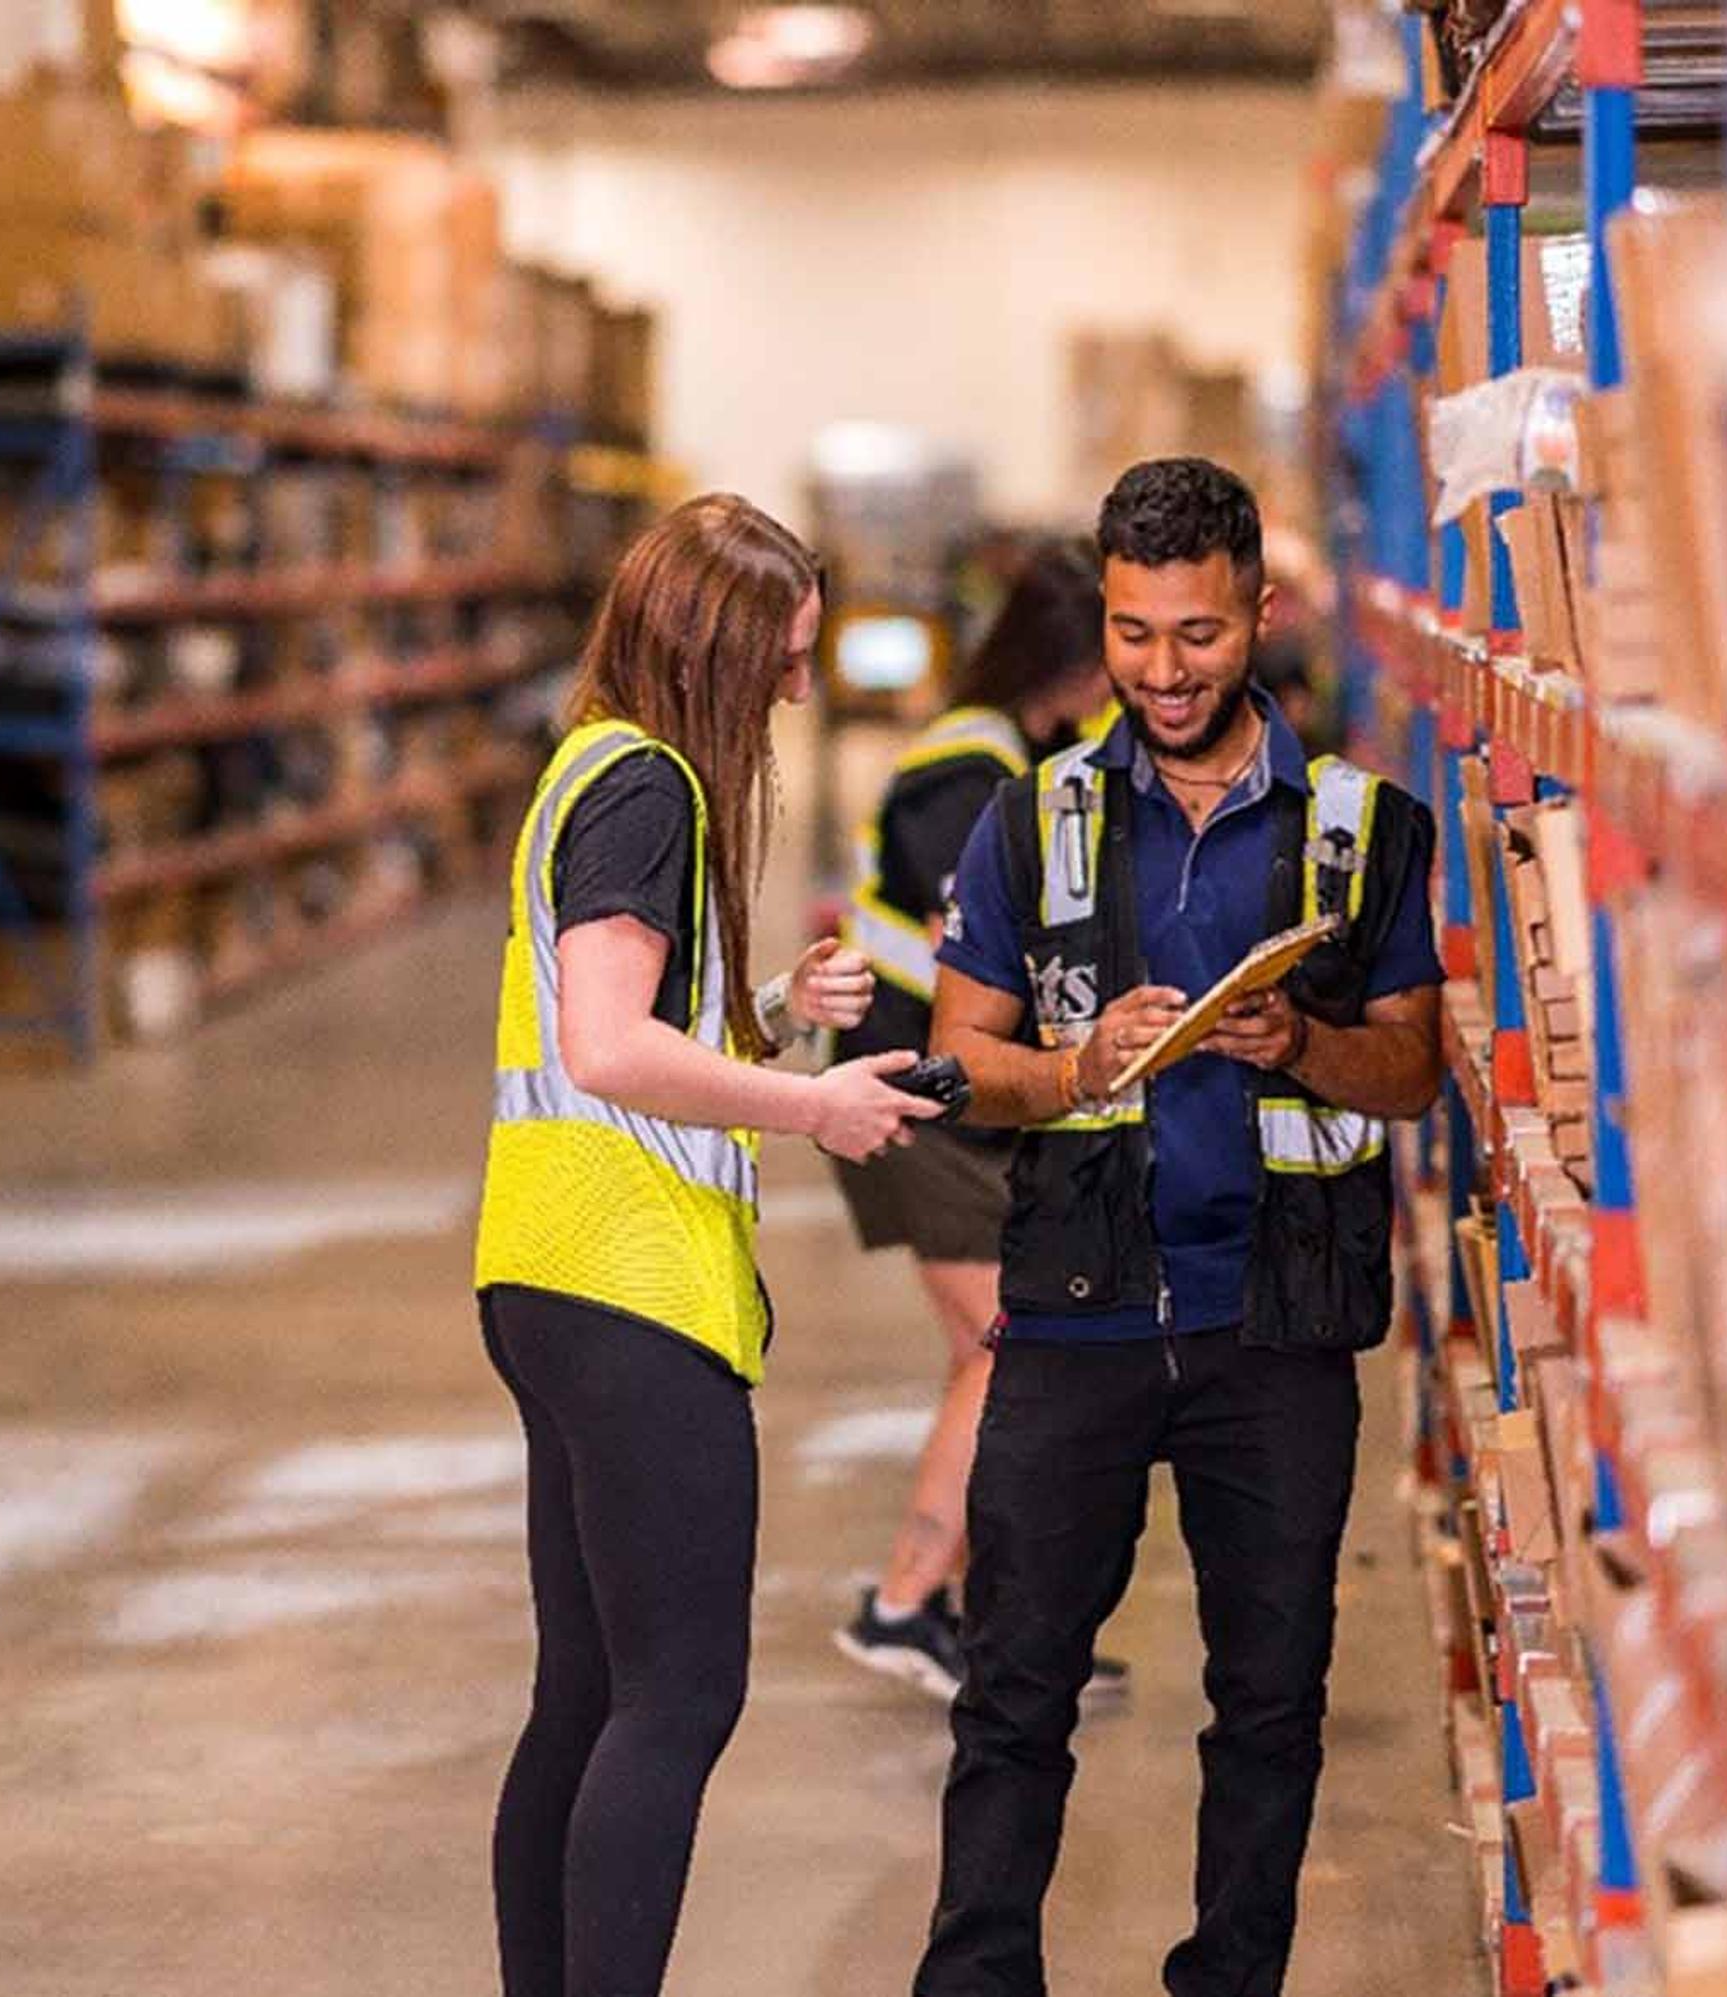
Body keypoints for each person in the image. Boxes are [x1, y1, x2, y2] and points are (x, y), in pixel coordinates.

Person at [911, 458, 1448, 1997]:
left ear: (1260, 614)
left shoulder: (1364, 828)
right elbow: (960, 1060)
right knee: (1013, 1698)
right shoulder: (1032, 821)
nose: (1162, 670)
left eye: (1198, 634)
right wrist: (1076, 1066)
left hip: (1275, 1329)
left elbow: (1414, 1070)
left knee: (1270, 1705)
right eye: (1135, 633)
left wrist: (1303, 1044)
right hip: (1075, 1317)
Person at [477, 492, 940, 1997]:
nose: (797, 689)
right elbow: (609, 1048)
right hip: (631, 1287)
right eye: (781, 658)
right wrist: (815, 1104)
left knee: (586, 1695)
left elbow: (619, 1029)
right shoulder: (648, 787)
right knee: (678, 1699)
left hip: (548, 1268)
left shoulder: (590, 762)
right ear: (711, 649)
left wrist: (772, 1010)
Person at [827, 547, 1120, 1700]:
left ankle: (978, 1615)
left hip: (951, 1098)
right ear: (1070, 654)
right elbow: (997, 938)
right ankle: (902, 1604)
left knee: (993, 1355)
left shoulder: (1028, 754)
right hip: (916, 1097)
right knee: (1010, 1348)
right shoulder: (966, 769)